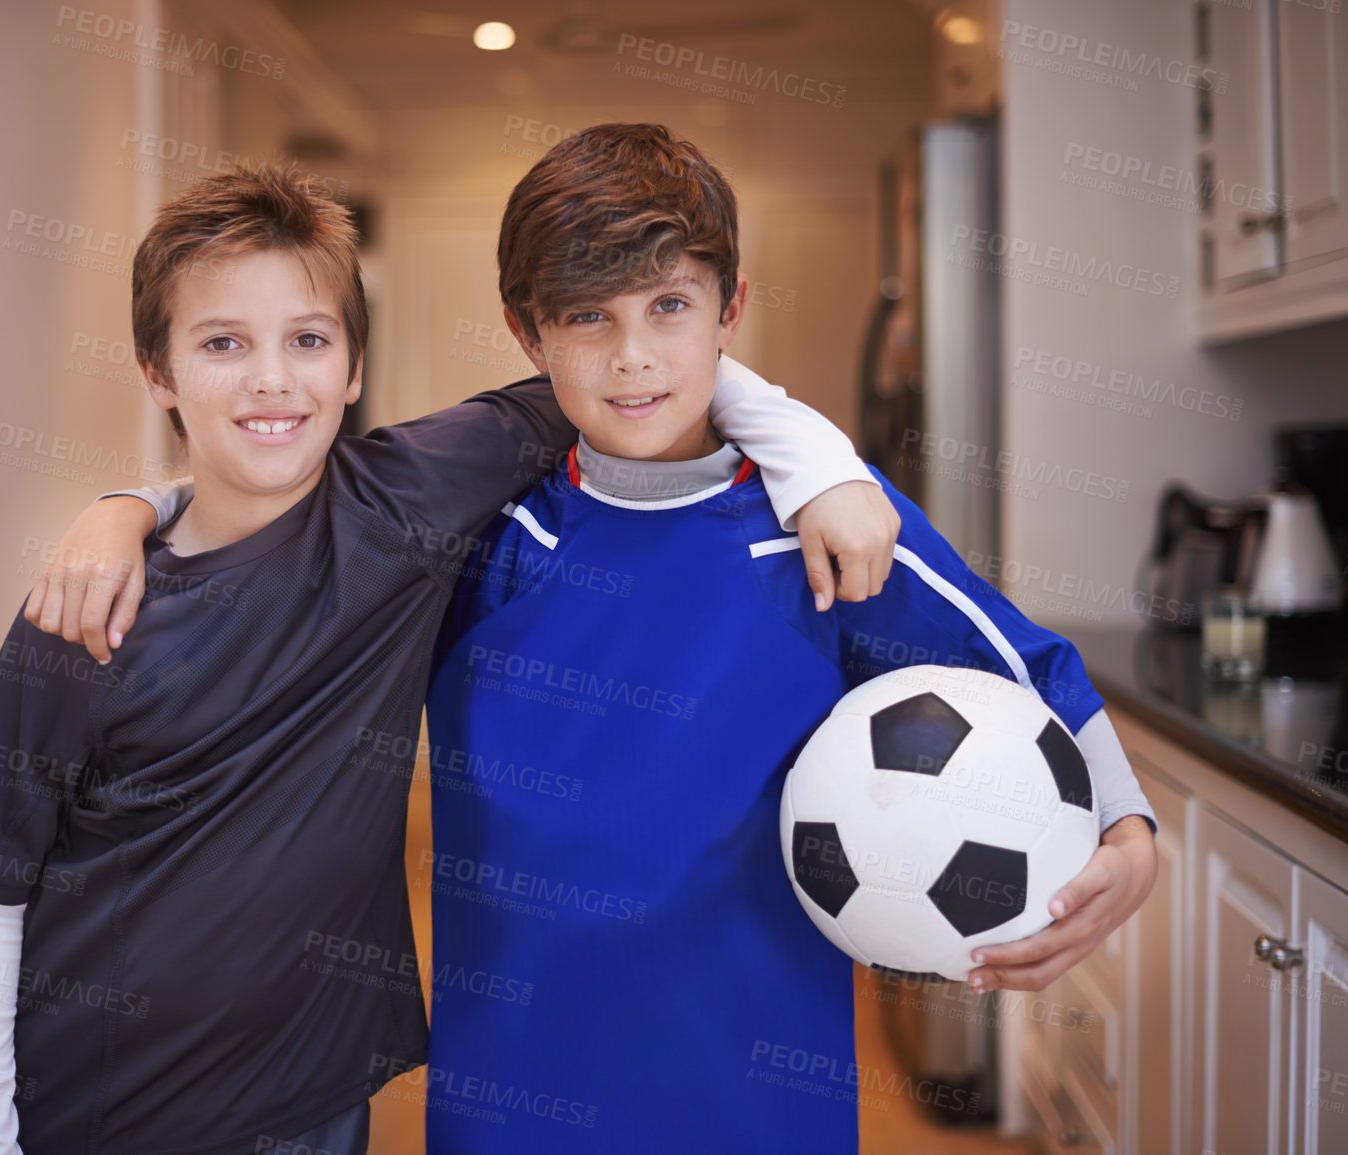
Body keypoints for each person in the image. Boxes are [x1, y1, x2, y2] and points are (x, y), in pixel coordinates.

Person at [0, 163, 900, 1155]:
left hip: (314, 1105)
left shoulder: (404, 503)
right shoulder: (88, 609)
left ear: (352, 366)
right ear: (158, 373)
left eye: (307, 340)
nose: (269, 379)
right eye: (222, 345)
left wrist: (819, 460)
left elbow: (632, 364)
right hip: (95, 1109)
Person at [411, 123, 1160, 1153]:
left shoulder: (828, 525)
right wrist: (134, 509)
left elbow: (1028, 666)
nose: (632, 356)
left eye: (669, 306)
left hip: (757, 1104)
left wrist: (1131, 834)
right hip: (510, 1098)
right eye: (588, 317)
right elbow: (284, 538)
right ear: (528, 334)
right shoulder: (479, 536)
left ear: (732, 310)